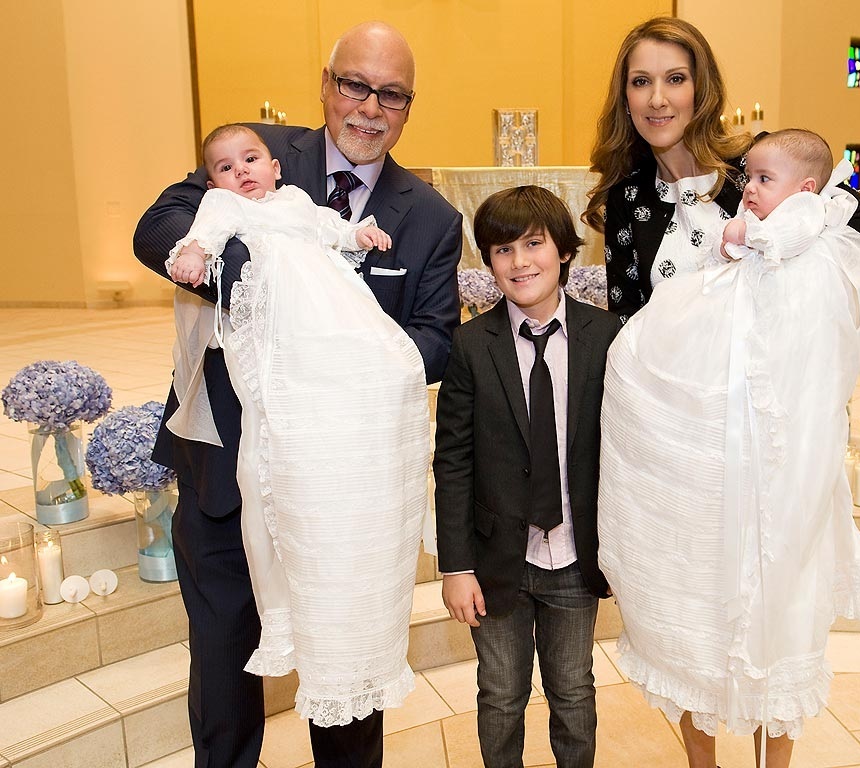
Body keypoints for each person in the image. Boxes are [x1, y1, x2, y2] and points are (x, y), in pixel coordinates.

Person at [134, 21, 462, 768]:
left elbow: (435, 339)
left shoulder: (430, 217)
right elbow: (159, 227)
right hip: (226, 465)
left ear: (409, 106)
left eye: (392, 94)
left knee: (345, 673)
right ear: (325, 84)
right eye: (354, 85)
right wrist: (256, 284)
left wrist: (344, 367)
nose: (369, 108)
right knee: (223, 670)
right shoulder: (255, 155)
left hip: (341, 495)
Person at [597, 128, 860, 768]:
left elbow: (821, 319)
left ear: (806, 189)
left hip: (782, 453)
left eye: (762, 180)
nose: (748, 189)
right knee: (699, 605)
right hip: (714, 448)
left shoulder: (816, 227)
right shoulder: (671, 206)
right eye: (748, 178)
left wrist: (759, 235)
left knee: (779, 614)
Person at [166, 122, 428, 737]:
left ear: (276, 167)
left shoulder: (297, 203)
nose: (241, 172)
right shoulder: (224, 208)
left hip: (334, 316)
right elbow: (193, 236)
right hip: (278, 325)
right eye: (226, 167)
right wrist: (195, 255)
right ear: (212, 181)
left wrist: (358, 233)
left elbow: (331, 229)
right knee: (276, 397)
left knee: (386, 357)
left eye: (251, 160)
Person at [433, 186, 620, 768]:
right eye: (502, 250)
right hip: (496, 558)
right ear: (488, 263)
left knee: (574, 690)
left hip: (574, 555)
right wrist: (456, 566)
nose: (519, 262)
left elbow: (625, 451)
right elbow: (453, 461)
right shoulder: (471, 345)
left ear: (563, 250)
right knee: (500, 693)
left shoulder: (605, 335)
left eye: (533, 245)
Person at [581, 16, 860, 325]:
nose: (657, 99)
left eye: (675, 79)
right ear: (625, 99)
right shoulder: (627, 196)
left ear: (701, 89)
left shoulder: (756, 164)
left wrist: (779, 248)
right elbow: (626, 317)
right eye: (641, 81)